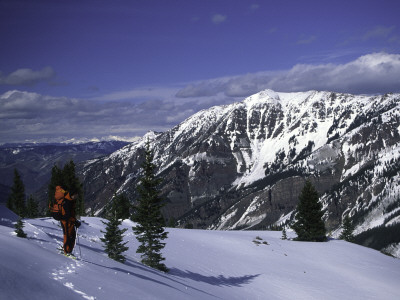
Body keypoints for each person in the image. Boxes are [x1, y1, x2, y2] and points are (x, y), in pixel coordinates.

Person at [54, 186, 81, 254]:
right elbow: (68, 215)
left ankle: (69, 251)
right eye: (76, 194)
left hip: (69, 221)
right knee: (67, 236)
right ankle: (66, 252)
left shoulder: (71, 200)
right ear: (72, 194)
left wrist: (74, 221)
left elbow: (71, 214)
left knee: (72, 236)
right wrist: (75, 221)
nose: (77, 196)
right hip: (65, 221)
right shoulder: (67, 202)